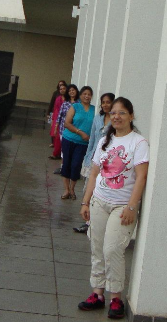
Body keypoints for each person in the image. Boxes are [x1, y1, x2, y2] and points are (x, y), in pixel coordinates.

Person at [77, 97, 149, 319]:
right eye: (114, 113)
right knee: (97, 247)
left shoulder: (138, 143)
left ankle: (115, 297)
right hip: (99, 202)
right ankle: (97, 294)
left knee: (112, 249)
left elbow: (141, 177)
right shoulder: (104, 141)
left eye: (122, 113)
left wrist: (131, 207)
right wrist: (85, 201)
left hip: (122, 206)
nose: (117, 117)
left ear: (131, 116)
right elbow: (94, 174)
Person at [74, 92, 114, 233]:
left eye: (108, 102)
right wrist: (87, 158)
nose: (105, 105)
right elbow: (92, 140)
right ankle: (88, 220)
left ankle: (93, 223)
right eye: (103, 102)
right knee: (88, 189)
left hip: (107, 162)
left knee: (99, 191)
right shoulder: (98, 118)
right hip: (93, 159)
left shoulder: (115, 121)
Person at [60, 86, 95, 199]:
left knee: (76, 165)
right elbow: (67, 123)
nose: (87, 96)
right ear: (80, 95)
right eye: (84, 94)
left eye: (89, 94)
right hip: (69, 139)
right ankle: (66, 189)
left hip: (83, 143)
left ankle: (72, 189)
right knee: (66, 163)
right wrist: (80, 132)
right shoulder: (75, 107)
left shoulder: (94, 110)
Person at [51, 84, 78, 160]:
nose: (71, 92)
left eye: (73, 90)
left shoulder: (79, 104)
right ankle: (63, 164)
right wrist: (56, 127)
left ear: (76, 91)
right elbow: (59, 116)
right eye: (70, 91)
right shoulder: (65, 103)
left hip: (74, 130)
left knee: (71, 149)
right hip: (63, 129)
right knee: (64, 148)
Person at [48, 83, 66, 159]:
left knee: (61, 137)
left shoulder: (68, 100)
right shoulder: (58, 98)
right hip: (57, 118)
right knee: (56, 136)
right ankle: (56, 153)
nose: (62, 90)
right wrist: (52, 119)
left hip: (65, 119)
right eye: (60, 89)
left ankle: (58, 153)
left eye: (64, 88)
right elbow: (55, 108)